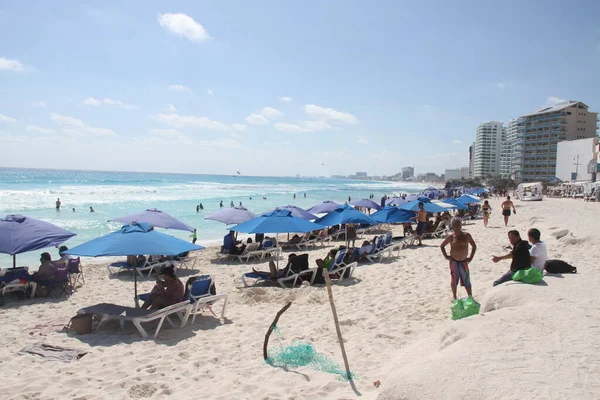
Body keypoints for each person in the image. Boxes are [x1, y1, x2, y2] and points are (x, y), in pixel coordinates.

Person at [440, 219, 476, 300]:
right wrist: (446, 256)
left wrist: (471, 257)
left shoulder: (466, 235)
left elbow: (474, 246)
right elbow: (442, 246)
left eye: (458, 225)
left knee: (467, 280)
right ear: (452, 227)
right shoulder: (451, 237)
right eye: (454, 225)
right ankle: (454, 296)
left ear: (460, 225)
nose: (456, 227)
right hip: (454, 261)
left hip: (463, 261)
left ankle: (470, 296)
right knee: (454, 280)